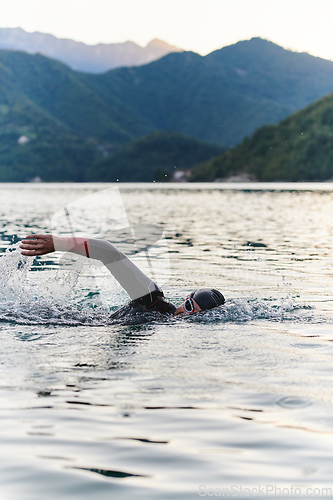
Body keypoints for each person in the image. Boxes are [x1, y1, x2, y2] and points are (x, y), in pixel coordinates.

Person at [20, 234, 225, 319]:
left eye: (195, 317)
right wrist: (59, 243)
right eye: (188, 307)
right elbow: (109, 253)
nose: (185, 316)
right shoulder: (153, 300)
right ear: (185, 301)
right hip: (67, 320)